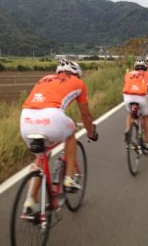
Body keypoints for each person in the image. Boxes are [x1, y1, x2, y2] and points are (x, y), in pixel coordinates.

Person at [20, 58, 98, 210]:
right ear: (77, 73)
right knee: (70, 134)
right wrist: (90, 133)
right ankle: (69, 177)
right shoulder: (78, 82)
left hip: (26, 119)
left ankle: (30, 201)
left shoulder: (44, 79)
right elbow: (85, 115)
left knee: (41, 157)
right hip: (52, 117)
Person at [123, 57, 148, 151]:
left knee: (130, 114)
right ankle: (147, 142)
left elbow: (126, 85)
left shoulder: (128, 74)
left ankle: (128, 130)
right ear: (145, 67)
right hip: (141, 96)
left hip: (127, 96)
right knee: (146, 116)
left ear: (135, 67)